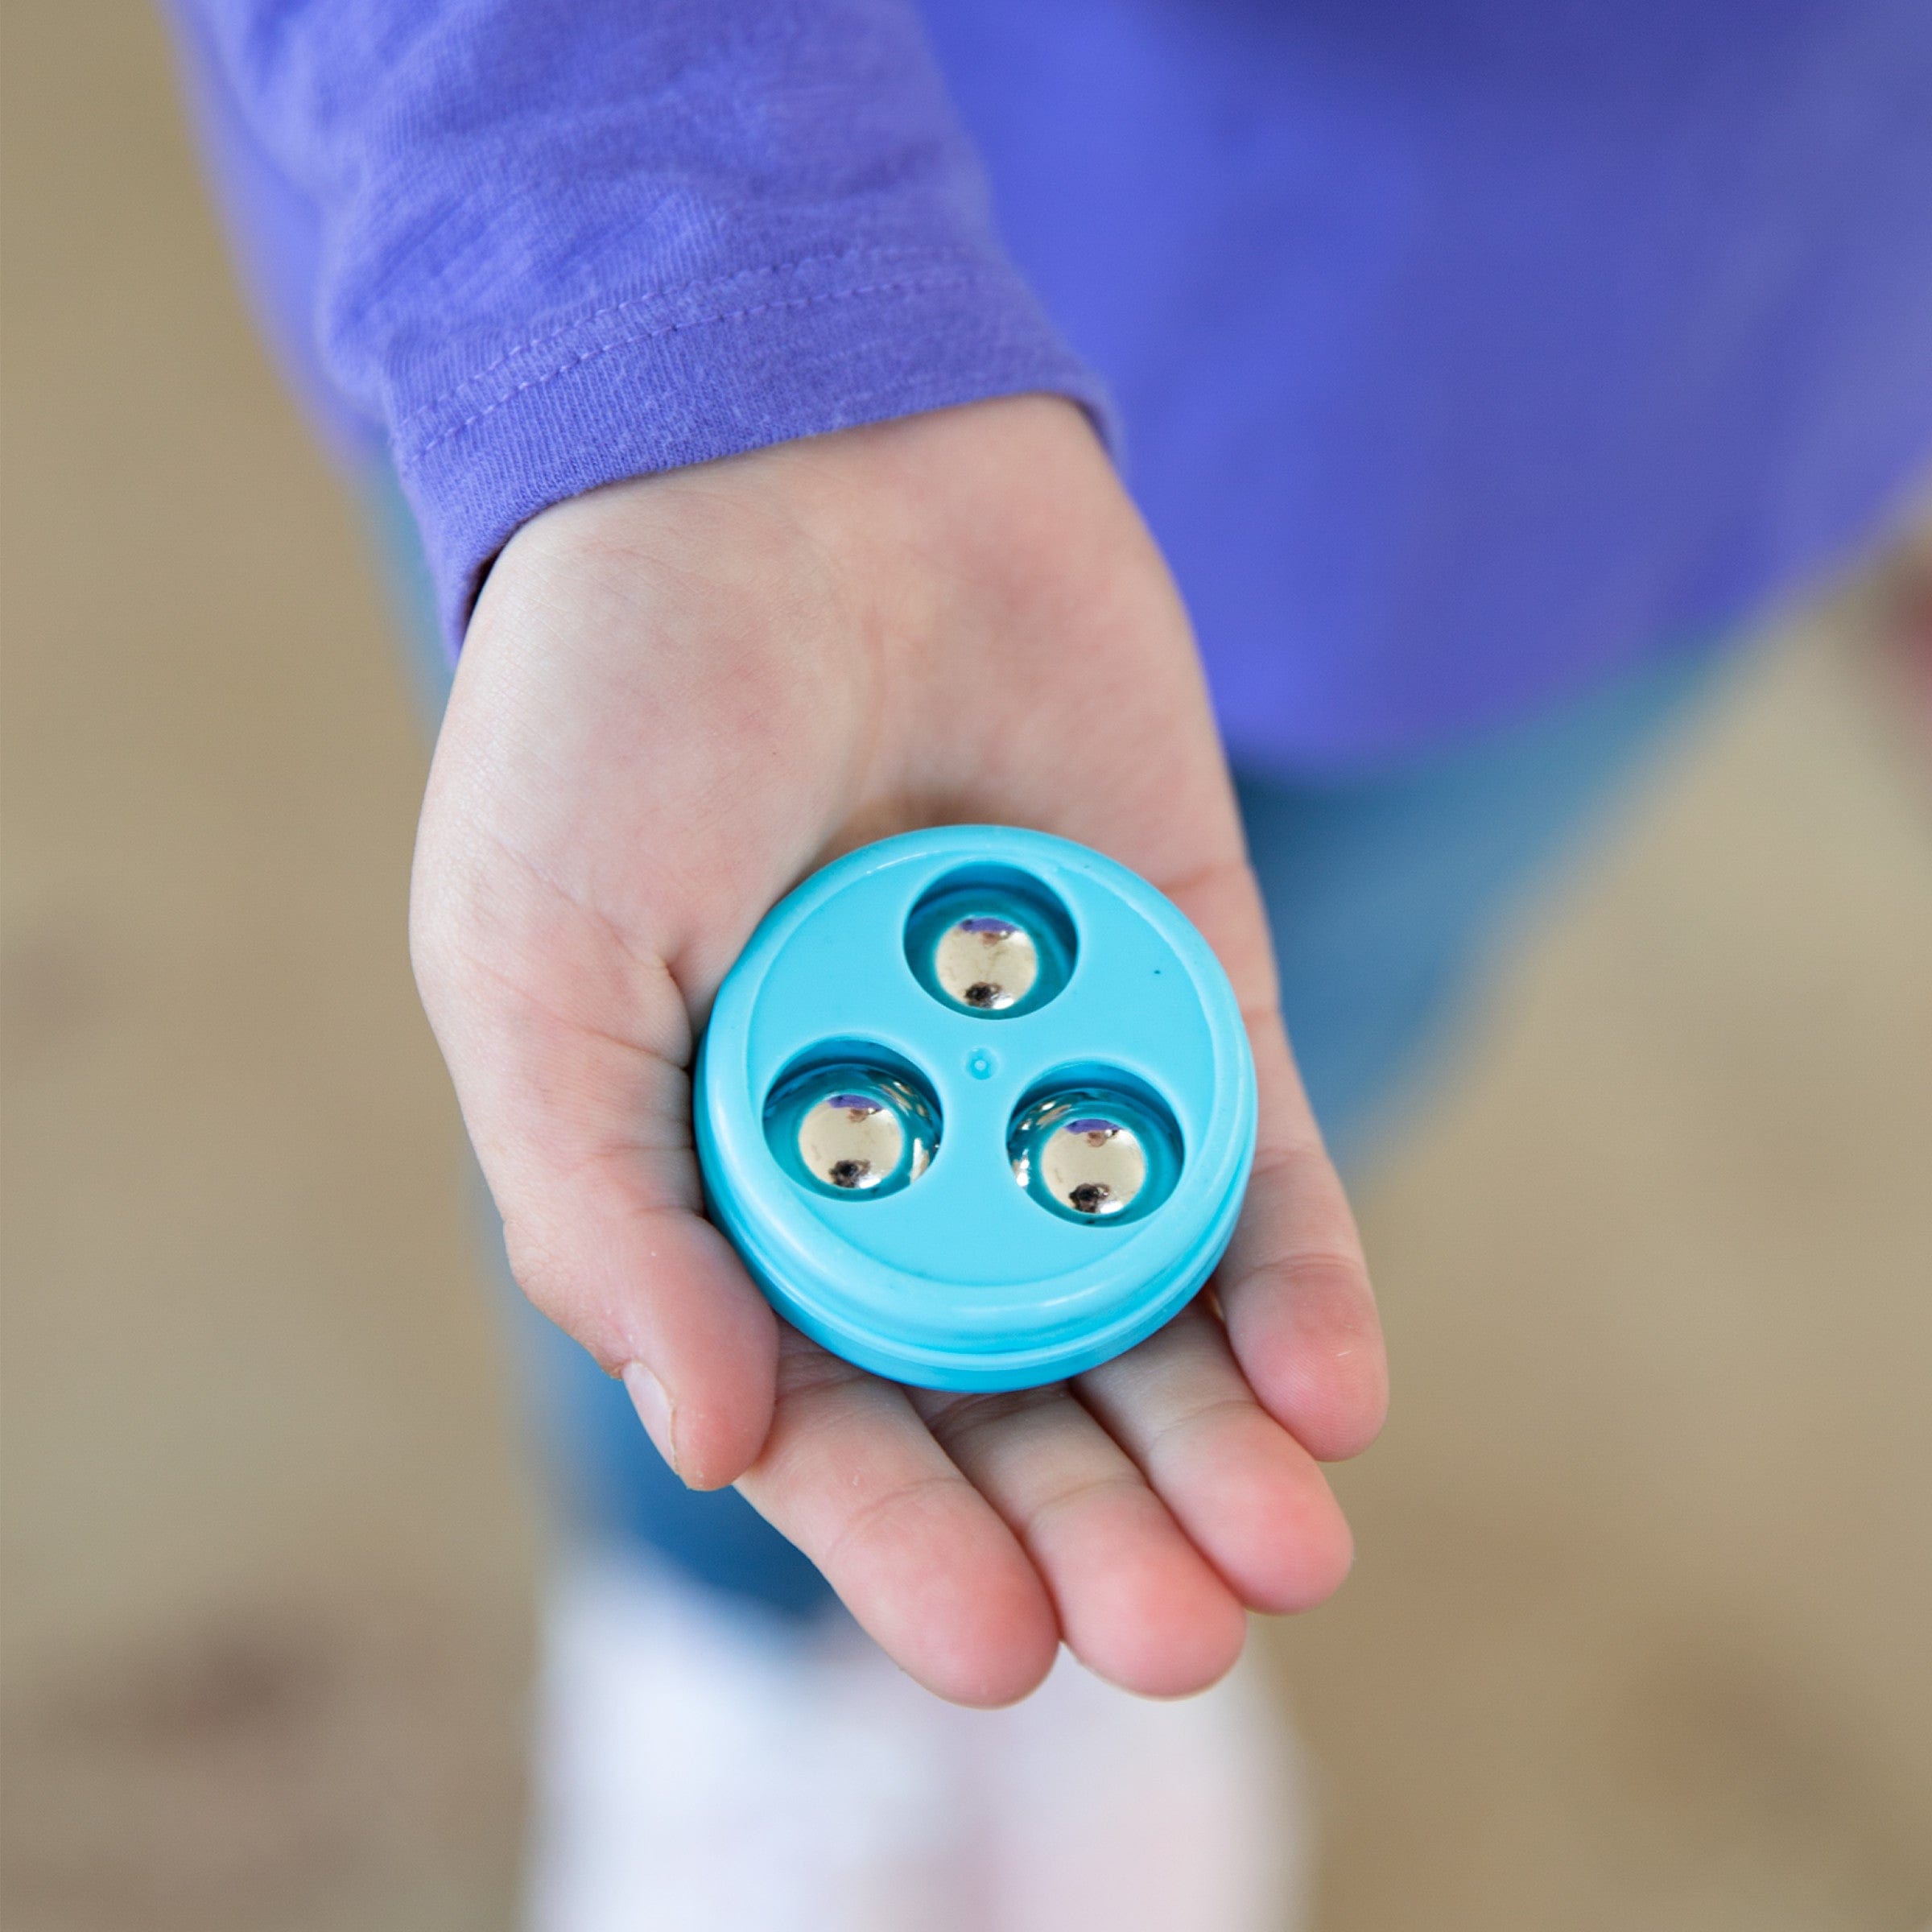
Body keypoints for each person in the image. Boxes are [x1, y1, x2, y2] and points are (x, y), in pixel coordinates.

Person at [163, 3, 1932, 1926]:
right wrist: (666, 263)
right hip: (665, 263)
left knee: (1321, 999)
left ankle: (1040, 1630)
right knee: (650, 1132)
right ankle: (727, 1645)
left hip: (1632, 328)